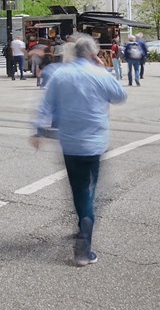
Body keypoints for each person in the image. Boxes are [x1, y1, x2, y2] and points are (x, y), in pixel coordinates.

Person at [32, 36, 127, 266]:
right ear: (93, 54)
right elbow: (120, 96)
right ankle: (84, 246)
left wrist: (38, 131)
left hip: (70, 143)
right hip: (94, 143)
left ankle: (81, 226)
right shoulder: (100, 74)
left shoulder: (60, 74)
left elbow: (46, 105)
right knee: (88, 192)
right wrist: (104, 69)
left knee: (78, 189)